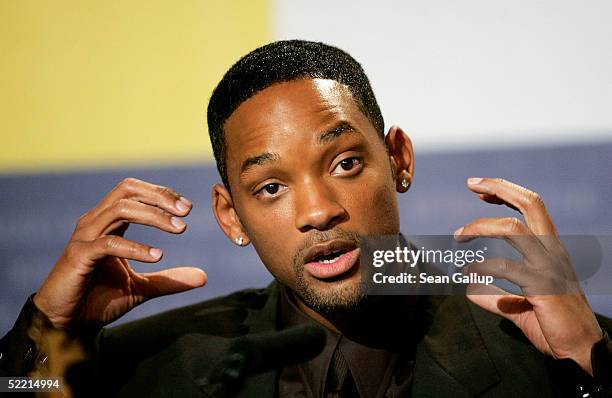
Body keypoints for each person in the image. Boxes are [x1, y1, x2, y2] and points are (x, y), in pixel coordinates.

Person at [1, 40, 610, 398]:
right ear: (230, 215)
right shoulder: (147, 367)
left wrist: (590, 361)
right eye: (269, 186)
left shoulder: (548, 351)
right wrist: (48, 338)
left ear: (398, 159)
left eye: (345, 163)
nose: (318, 211)